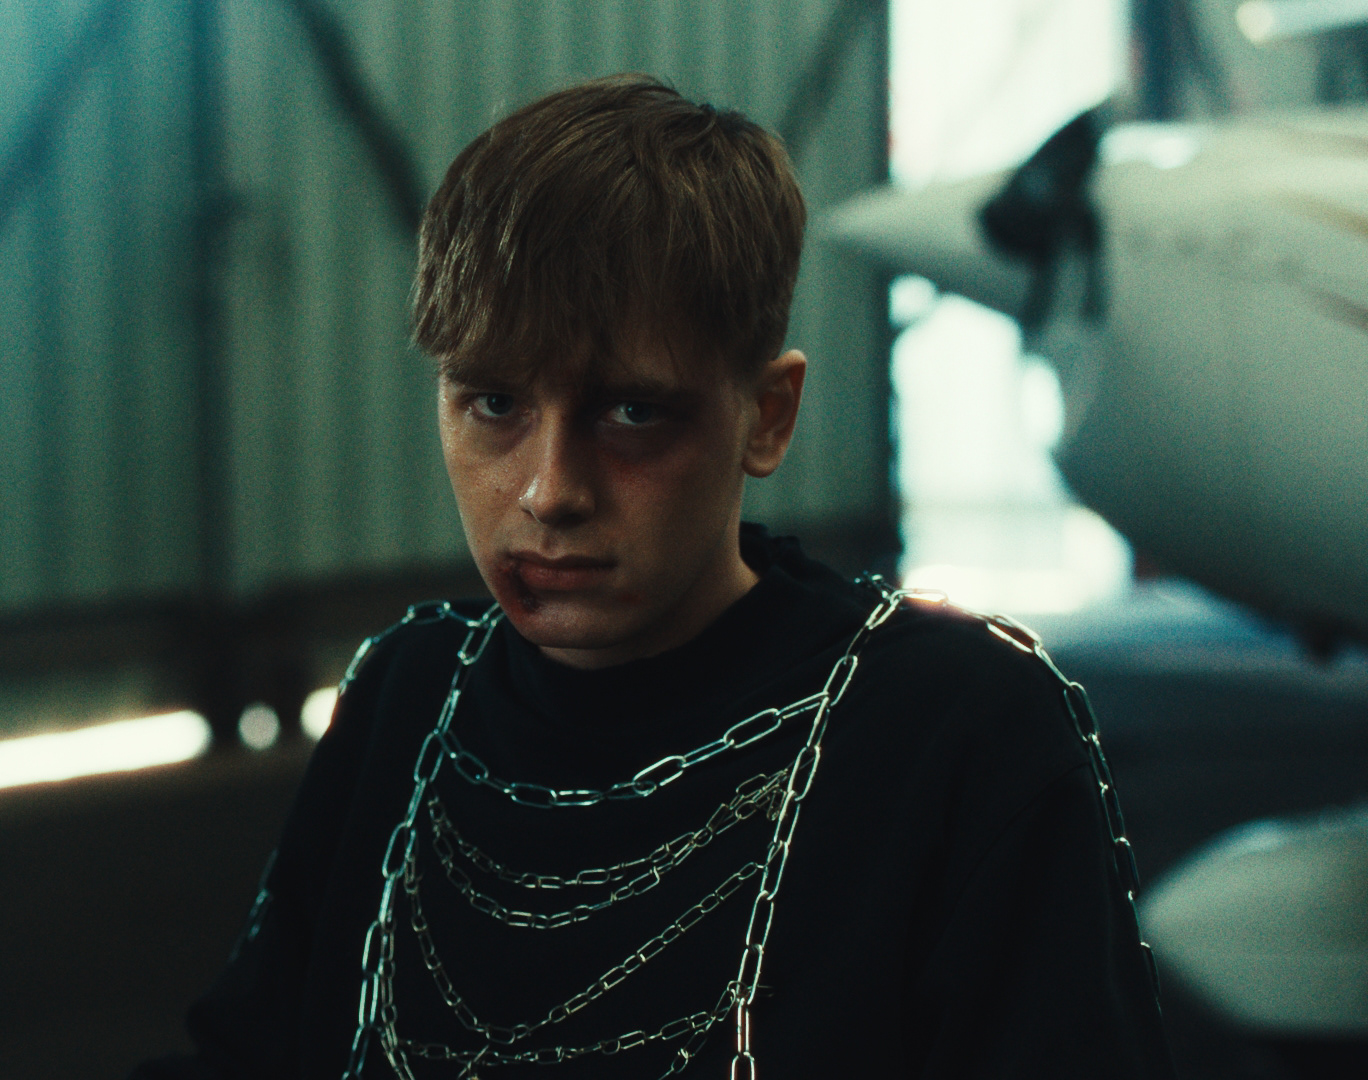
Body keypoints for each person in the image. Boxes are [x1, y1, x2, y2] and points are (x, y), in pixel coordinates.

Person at [135, 75, 1172, 1080]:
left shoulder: (956, 730)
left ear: (766, 417)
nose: (549, 491)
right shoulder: (409, 698)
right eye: (493, 404)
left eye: (632, 412)